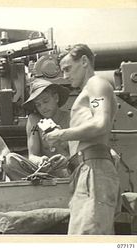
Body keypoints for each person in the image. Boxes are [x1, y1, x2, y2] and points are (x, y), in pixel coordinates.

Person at [44, 44, 120, 234]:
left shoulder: (96, 84)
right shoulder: (90, 90)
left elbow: (100, 123)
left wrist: (62, 134)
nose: (65, 75)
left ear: (84, 61)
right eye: (62, 71)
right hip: (86, 170)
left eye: (68, 68)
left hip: (93, 170)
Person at [3, 78, 71, 180]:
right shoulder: (34, 121)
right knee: (10, 160)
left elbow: (79, 154)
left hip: (68, 171)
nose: (43, 107)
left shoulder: (70, 118)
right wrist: (40, 161)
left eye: (46, 101)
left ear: (56, 98)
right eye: (38, 105)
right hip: (44, 173)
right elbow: (32, 155)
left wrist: (66, 159)